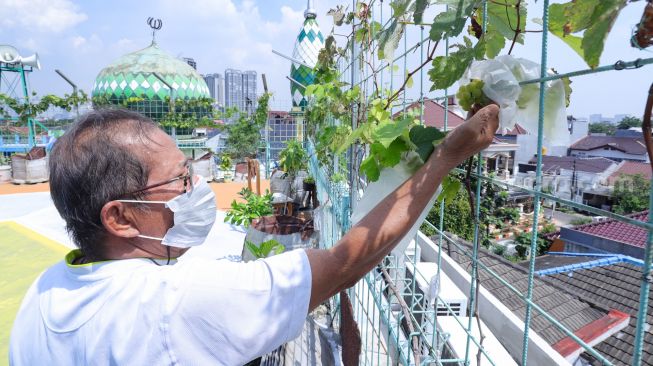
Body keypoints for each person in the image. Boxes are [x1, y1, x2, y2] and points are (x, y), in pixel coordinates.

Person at [9, 105, 499, 365]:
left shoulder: (43, 293)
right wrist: (447, 156)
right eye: (181, 181)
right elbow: (345, 261)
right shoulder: (175, 300)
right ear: (120, 218)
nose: (197, 189)